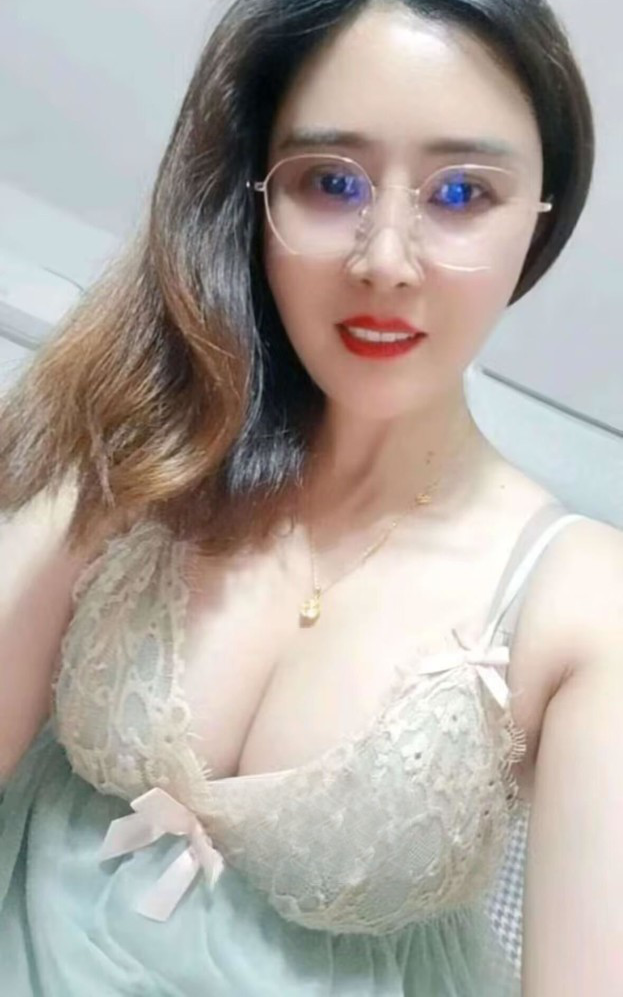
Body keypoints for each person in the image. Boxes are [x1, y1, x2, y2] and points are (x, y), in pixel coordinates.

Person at [0, 0, 622, 993]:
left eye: (460, 193)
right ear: (252, 191)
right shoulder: (149, 430)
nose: (384, 260)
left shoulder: (581, 601)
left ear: (539, 216)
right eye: (329, 182)